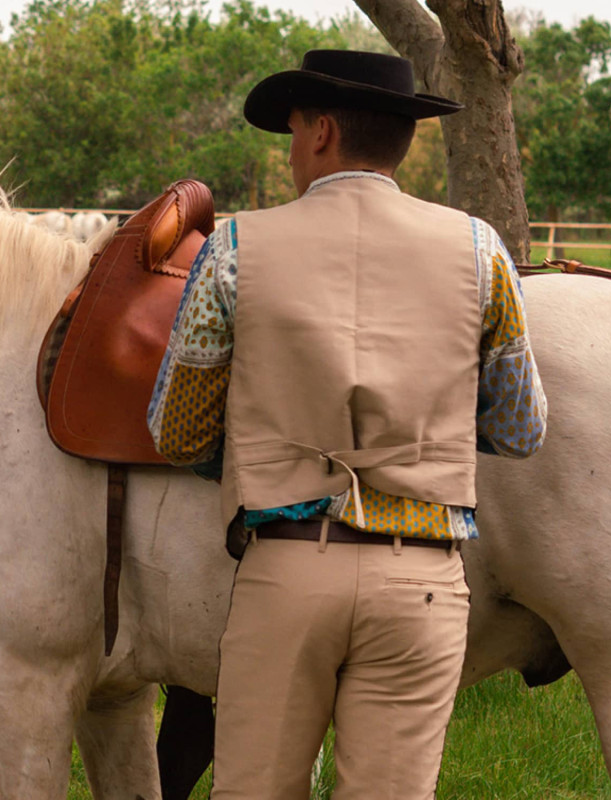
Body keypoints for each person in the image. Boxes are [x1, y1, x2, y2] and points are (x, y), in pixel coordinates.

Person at [148, 49, 547, 800]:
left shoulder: (234, 250)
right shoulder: (479, 251)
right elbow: (522, 428)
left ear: (323, 132)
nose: (293, 148)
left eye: (294, 131)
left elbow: (179, 433)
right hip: (422, 582)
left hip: (289, 572)